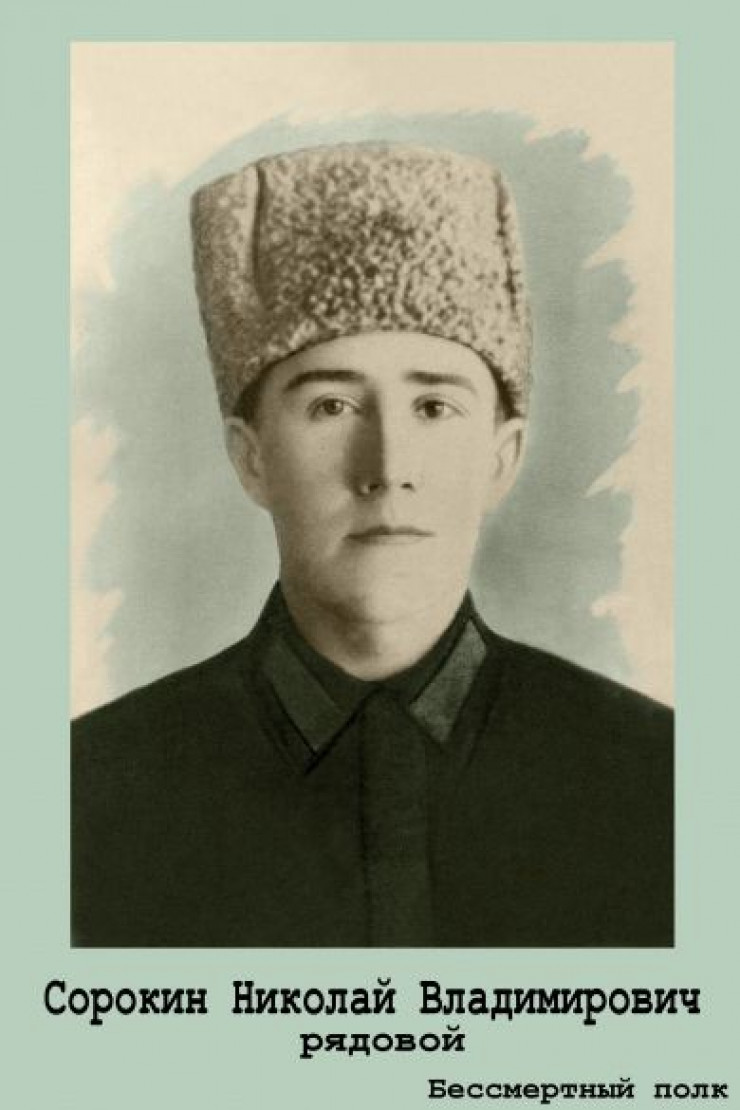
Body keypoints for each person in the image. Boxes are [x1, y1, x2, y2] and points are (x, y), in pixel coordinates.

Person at [72, 142, 673, 947]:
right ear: (252, 458)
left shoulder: (666, 780)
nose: (388, 470)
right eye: (332, 407)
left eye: (434, 408)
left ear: (502, 458)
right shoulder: (83, 791)